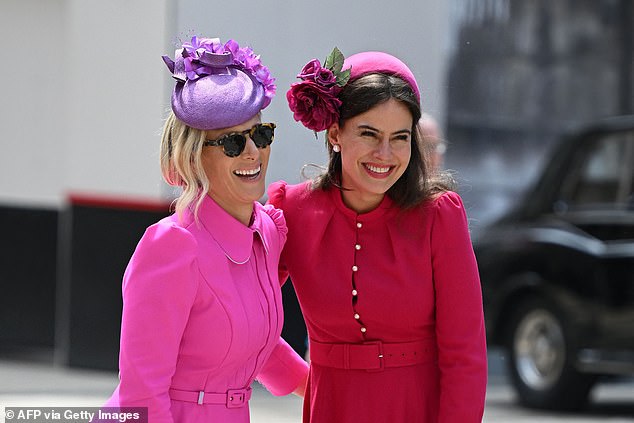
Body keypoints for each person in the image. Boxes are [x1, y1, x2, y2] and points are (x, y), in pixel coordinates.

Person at [269, 48, 487, 422]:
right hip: (330, 408)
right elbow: (242, 317)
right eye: (369, 134)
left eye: (399, 137)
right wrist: (299, 379)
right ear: (336, 132)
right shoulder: (291, 210)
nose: (384, 154)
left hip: (418, 408)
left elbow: (465, 354)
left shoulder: (439, 215)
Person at [104, 36, 309, 423]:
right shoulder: (171, 246)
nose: (253, 151)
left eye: (260, 133)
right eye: (233, 142)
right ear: (195, 155)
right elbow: (141, 392)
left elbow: (254, 340)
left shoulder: (265, 229)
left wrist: (318, 388)